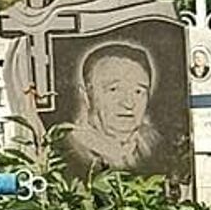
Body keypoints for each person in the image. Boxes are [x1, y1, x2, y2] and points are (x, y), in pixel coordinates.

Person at [64, 42, 160, 173]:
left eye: (138, 92)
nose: (128, 103)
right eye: (114, 89)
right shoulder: (67, 152)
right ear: (86, 95)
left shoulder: (154, 144)